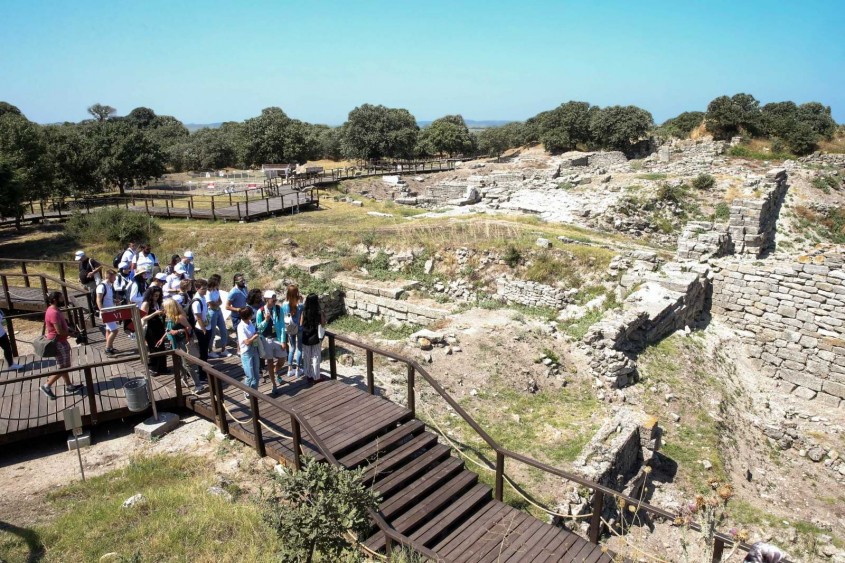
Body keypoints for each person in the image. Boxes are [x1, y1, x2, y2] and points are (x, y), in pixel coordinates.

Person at [39, 292, 83, 399]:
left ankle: (69, 386)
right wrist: (73, 335)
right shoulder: (54, 312)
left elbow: (62, 327)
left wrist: (70, 330)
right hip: (59, 343)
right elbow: (59, 331)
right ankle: (47, 386)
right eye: (61, 298)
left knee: (63, 366)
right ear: (55, 300)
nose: (63, 299)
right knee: (64, 367)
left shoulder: (54, 309)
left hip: (60, 342)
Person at [160, 299, 205, 394]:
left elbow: (189, 328)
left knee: (187, 364)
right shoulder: (169, 317)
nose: (163, 309)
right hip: (175, 342)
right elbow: (169, 329)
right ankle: (184, 379)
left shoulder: (180, 317)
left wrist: (177, 331)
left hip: (182, 342)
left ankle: (198, 385)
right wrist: (162, 338)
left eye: (165, 307)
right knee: (178, 363)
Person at [256, 290, 286, 393]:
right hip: (266, 339)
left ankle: (275, 370)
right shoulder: (260, 311)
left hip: (277, 338)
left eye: (275, 299)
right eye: (273, 300)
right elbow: (259, 328)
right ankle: (274, 384)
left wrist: (283, 340)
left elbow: (282, 325)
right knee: (269, 361)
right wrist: (266, 320)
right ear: (267, 300)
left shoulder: (278, 309)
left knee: (282, 359)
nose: (274, 301)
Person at [139, 286, 168, 376]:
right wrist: (155, 313)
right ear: (150, 295)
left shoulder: (158, 302)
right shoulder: (146, 303)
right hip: (151, 328)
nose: (157, 297)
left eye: (158, 295)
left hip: (159, 327)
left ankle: (162, 368)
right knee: (154, 348)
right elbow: (143, 318)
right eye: (155, 295)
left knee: (161, 347)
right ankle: (153, 368)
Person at [299, 293, 326, 384]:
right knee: (316, 356)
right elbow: (322, 324)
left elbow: (301, 323)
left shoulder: (304, 311)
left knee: (307, 356)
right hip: (315, 336)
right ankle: (316, 376)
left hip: (306, 336)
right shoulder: (318, 312)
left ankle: (308, 375)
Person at [281, 284, 303, 378]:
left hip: (290, 327)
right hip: (299, 327)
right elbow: (302, 316)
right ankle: (298, 369)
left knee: (292, 348)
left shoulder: (285, 304)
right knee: (299, 348)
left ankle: (289, 369)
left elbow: (284, 317)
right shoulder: (300, 304)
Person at [237, 306, 260, 399]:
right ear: (248, 315)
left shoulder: (250, 322)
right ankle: (246, 391)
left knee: (256, 374)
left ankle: (254, 392)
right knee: (249, 375)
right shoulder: (241, 326)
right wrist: (254, 337)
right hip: (246, 352)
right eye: (251, 314)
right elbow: (246, 342)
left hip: (254, 349)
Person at [96, 269, 120, 356]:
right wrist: (102, 310)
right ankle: (107, 348)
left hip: (110, 310)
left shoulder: (109, 285)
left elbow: (107, 298)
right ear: (109, 276)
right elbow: (98, 299)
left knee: (108, 330)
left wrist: (114, 301)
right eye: (114, 276)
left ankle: (110, 347)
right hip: (106, 312)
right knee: (115, 330)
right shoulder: (102, 286)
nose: (115, 278)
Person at [206, 274, 231, 358]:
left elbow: (219, 301)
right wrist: (216, 303)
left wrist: (217, 303)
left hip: (218, 310)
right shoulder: (208, 291)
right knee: (212, 333)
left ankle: (224, 349)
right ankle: (210, 350)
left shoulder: (216, 289)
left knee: (223, 330)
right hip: (211, 312)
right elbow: (210, 304)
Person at [190, 279, 211, 378]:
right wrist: (204, 330)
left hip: (207, 326)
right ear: (197, 288)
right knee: (202, 352)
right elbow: (198, 317)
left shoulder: (203, 297)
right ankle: (202, 375)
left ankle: (205, 369)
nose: (205, 290)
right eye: (203, 289)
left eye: (206, 288)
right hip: (201, 329)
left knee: (205, 351)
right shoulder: (196, 301)